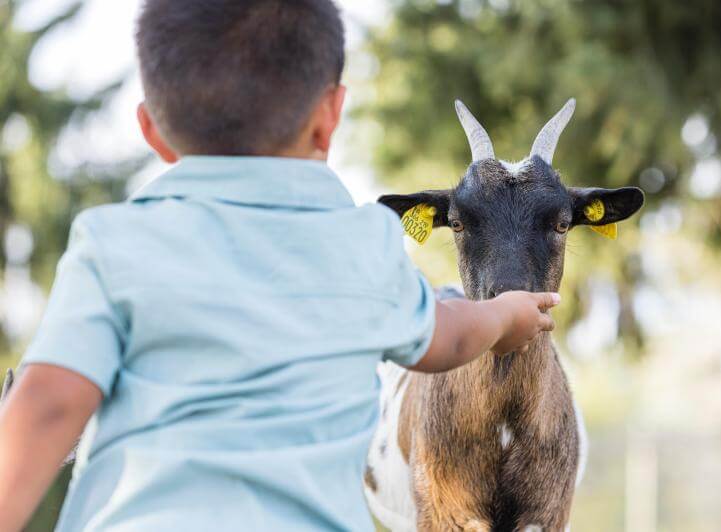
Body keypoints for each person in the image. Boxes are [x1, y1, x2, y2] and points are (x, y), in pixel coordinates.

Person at [0, 1, 560, 530]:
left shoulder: (111, 243)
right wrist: (504, 316)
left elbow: (47, 405)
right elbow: (449, 339)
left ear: (151, 131)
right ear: (329, 117)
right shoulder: (360, 242)